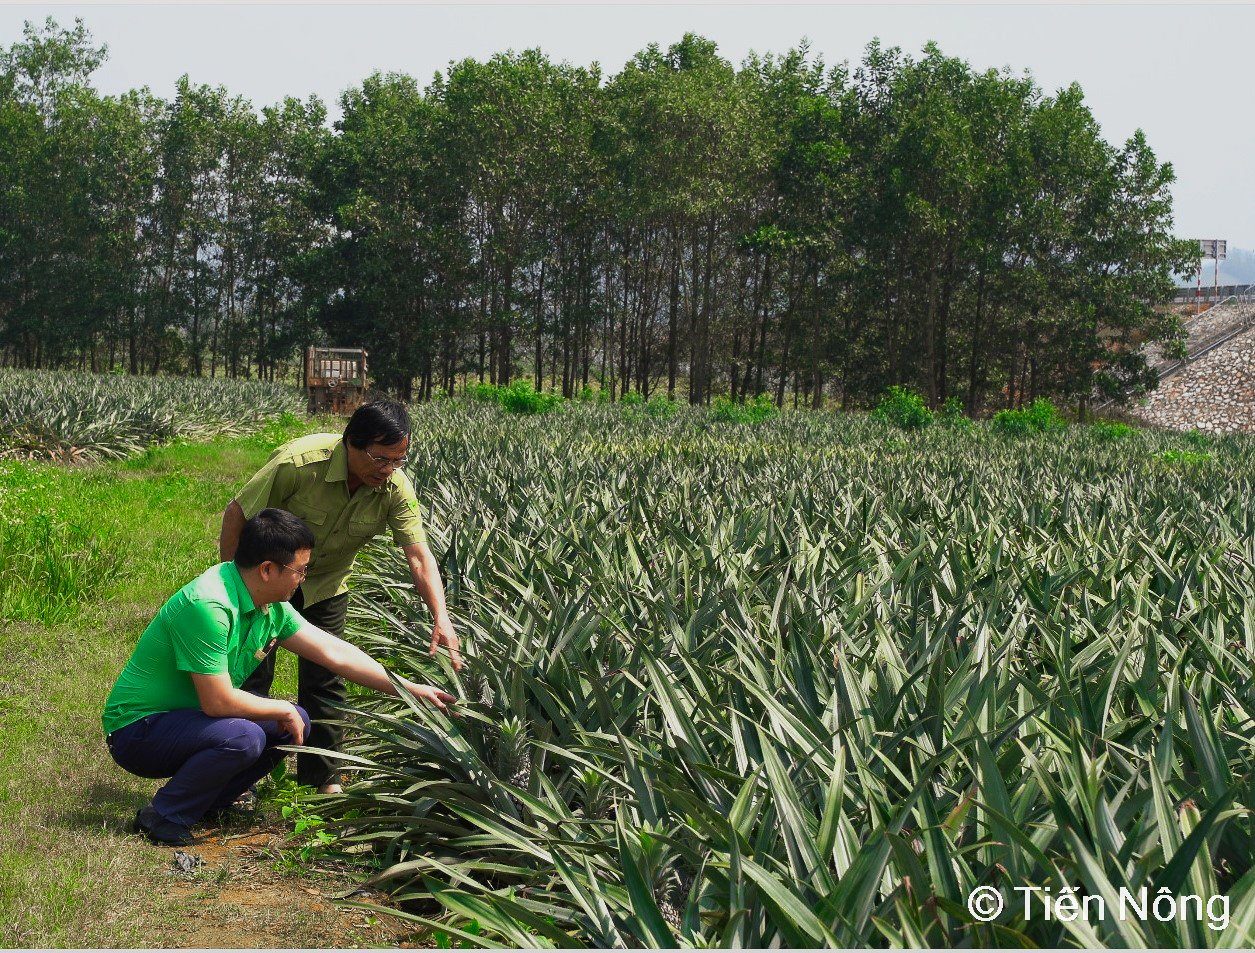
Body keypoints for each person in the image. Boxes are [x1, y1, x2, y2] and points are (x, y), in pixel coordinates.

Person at [103, 508, 456, 847]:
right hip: (139, 731)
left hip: (188, 721)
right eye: (300, 570)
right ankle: (163, 815)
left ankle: (210, 801)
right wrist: (279, 708)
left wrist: (409, 690)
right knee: (244, 735)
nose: (304, 577)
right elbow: (217, 701)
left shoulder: (269, 605)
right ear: (268, 569)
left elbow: (335, 653)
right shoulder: (208, 606)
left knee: (293, 721)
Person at [218, 399, 461, 795]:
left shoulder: (394, 488)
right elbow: (238, 513)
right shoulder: (298, 463)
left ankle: (322, 779)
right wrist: (232, 586)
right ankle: (238, 776)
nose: (387, 471)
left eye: (398, 461)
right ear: (351, 442)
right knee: (251, 671)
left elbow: (418, 555)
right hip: (266, 582)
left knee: (326, 681)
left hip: (325, 586)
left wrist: (441, 617)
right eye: (380, 459)